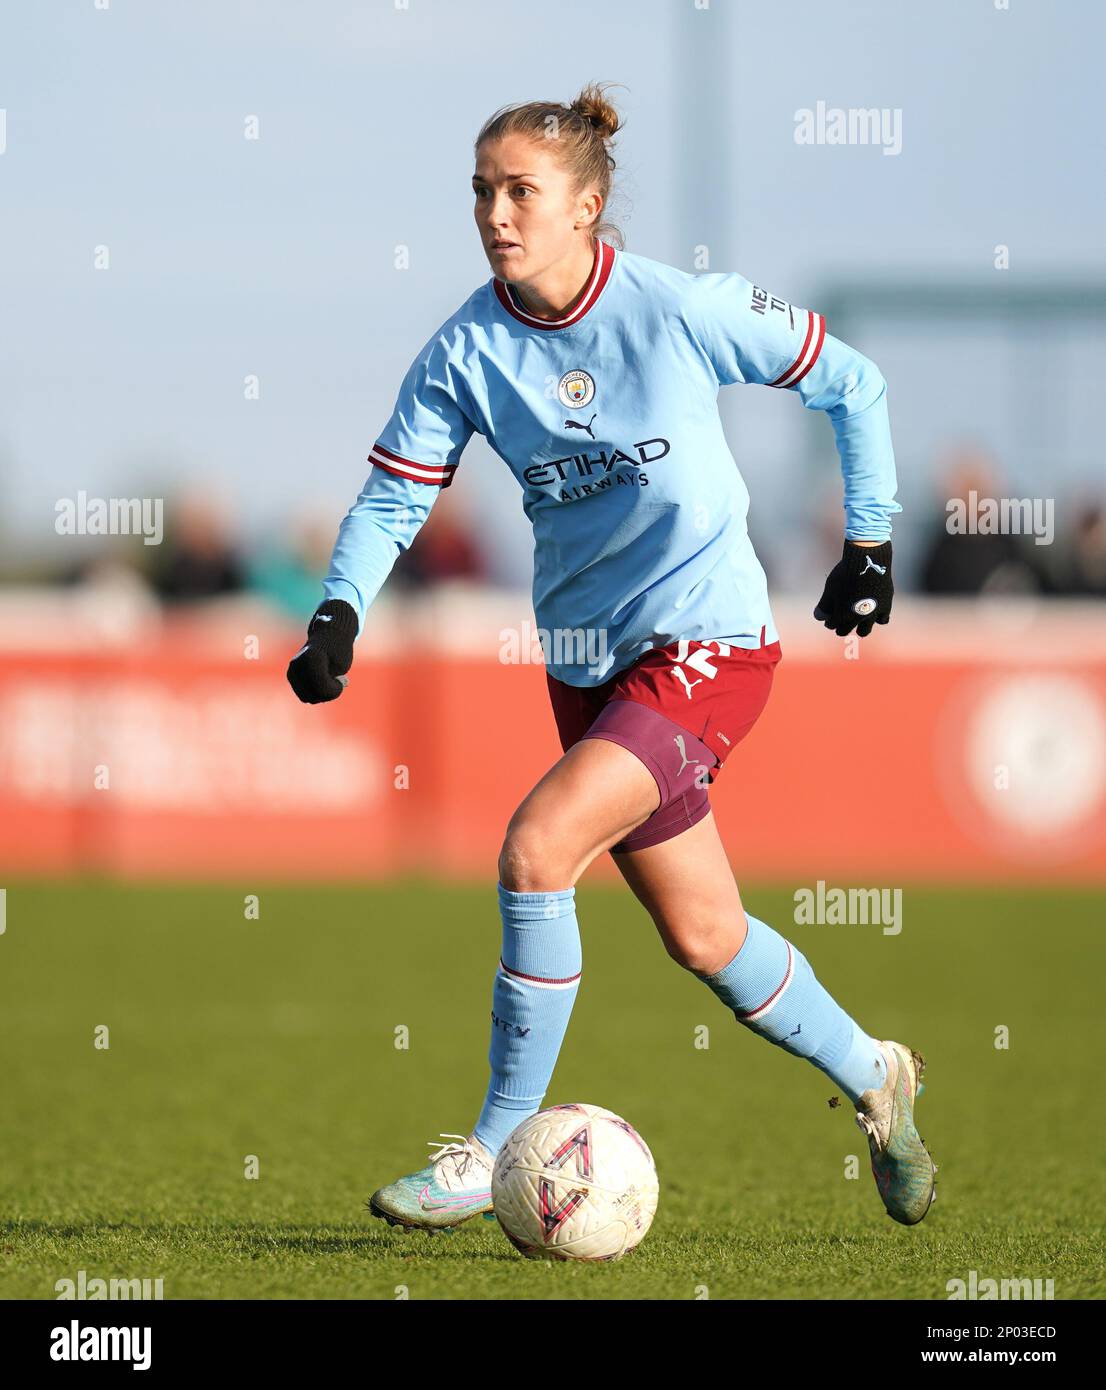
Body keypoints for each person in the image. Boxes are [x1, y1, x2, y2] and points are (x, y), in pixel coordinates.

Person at [286, 83, 936, 1233]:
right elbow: (394, 495)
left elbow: (854, 380)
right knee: (704, 936)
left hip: (707, 647)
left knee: (536, 849)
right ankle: (877, 1074)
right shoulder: (465, 352)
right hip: (586, 664)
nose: (495, 212)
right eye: (481, 191)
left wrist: (869, 538)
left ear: (585, 205)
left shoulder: (680, 307)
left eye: (519, 190)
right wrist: (340, 611)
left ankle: (488, 1151)